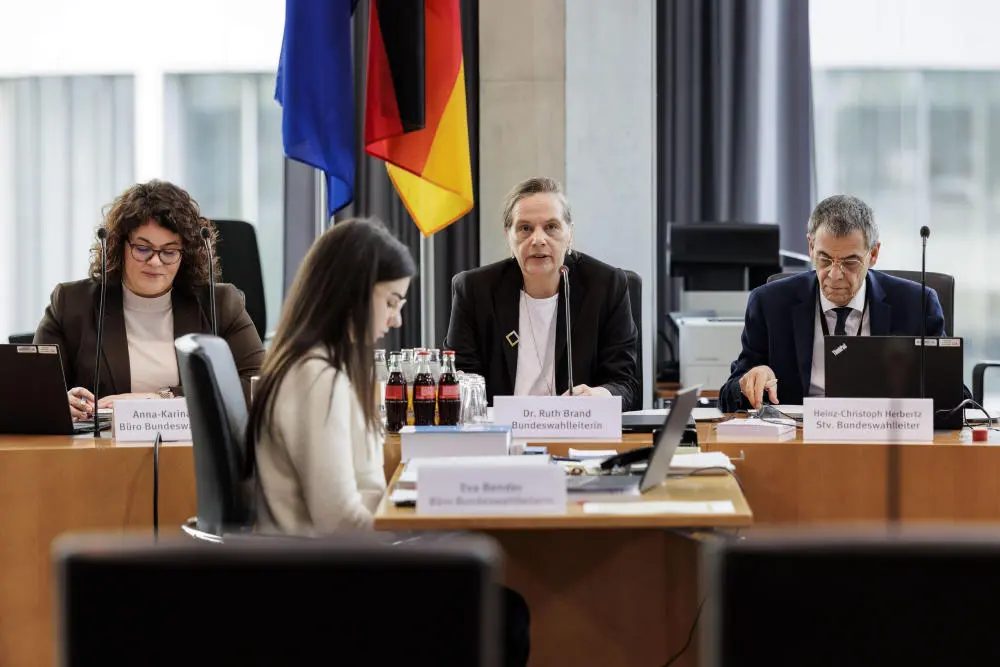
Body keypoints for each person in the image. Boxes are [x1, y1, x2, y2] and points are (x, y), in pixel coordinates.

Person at [247, 218, 530, 666]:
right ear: (353, 292)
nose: (397, 319)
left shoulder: (315, 366)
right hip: (329, 583)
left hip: (330, 570)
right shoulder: (318, 378)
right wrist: (424, 530)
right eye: (391, 302)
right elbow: (338, 519)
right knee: (506, 612)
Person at [34, 180, 264, 418]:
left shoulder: (220, 304)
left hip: (192, 451)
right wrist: (60, 401)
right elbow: (32, 389)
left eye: (169, 251)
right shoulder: (72, 304)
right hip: (98, 450)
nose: (155, 262)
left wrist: (163, 398)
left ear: (185, 255)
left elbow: (261, 385)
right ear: (118, 246)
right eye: (143, 249)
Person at [719, 194, 947, 411]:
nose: (835, 274)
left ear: (874, 254)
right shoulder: (769, 304)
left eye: (850, 262)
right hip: (799, 439)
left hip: (884, 434)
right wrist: (748, 383)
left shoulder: (916, 305)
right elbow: (727, 396)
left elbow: (954, 396)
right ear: (810, 247)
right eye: (825, 259)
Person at [443, 176, 640, 410]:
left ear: (570, 235)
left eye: (551, 227)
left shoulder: (606, 286)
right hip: (501, 437)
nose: (538, 239)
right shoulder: (474, 290)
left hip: (578, 433)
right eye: (525, 228)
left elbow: (625, 384)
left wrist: (603, 396)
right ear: (509, 236)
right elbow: (459, 379)